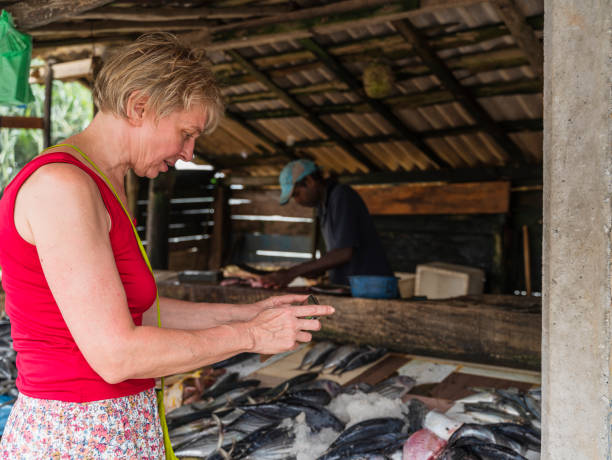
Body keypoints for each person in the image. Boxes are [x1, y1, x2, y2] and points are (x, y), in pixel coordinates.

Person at [0, 33, 333, 458]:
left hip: (114, 426)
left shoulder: (107, 182)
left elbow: (138, 310)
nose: (190, 153)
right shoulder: (63, 187)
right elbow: (116, 355)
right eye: (186, 133)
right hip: (75, 434)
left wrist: (251, 311)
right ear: (140, 107)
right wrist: (249, 335)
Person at [260, 159, 393, 288]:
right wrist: (313, 270)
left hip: (372, 288)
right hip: (352, 288)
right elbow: (335, 254)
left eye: (296, 194)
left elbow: (343, 253)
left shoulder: (341, 196)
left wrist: (291, 273)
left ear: (309, 181)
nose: (297, 200)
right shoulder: (323, 207)